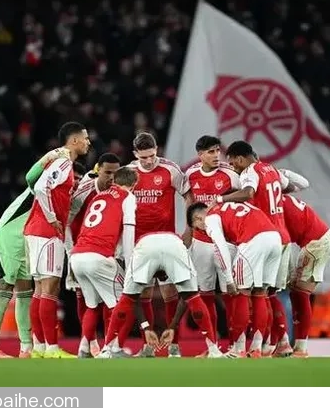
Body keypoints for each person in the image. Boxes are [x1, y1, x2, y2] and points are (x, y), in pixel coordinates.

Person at [0, 147, 77, 358]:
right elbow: (30, 176)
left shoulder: (58, 198)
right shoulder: (40, 187)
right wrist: (49, 156)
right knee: (4, 290)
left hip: (26, 241)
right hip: (7, 239)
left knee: (25, 293)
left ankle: (26, 347)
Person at [219, 140, 309, 357]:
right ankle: (278, 343)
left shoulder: (249, 171)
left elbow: (248, 193)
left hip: (261, 236)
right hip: (282, 238)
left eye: (233, 163)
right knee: (270, 294)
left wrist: (221, 199)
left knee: (253, 293)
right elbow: (297, 185)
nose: (233, 168)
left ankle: (255, 346)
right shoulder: (271, 170)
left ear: (241, 158)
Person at [98, 231, 222, 359]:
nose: (163, 280)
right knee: (193, 297)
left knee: (127, 298)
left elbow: (133, 300)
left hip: (145, 247)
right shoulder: (176, 246)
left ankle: (106, 350)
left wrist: (148, 328)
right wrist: (171, 326)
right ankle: (214, 350)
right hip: (174, 245)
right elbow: (186, 298)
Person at [24, 122, 90, 359]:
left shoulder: (61, 162)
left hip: (35, 230)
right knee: (50, 289)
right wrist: (52, 218)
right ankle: (52, 348)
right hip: (47, 231)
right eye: (85, 138)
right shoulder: (63, 162)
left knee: (40, 289)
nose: (88, 142)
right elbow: (42, 187)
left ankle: (39, 347)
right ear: (74, 141)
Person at [187, 201, 281, 358]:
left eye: (197, 227)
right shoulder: (231, 206)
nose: (201, 229)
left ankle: (238, 349)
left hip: (252, 241)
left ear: (199, 218)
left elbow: (221, 248)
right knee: (260, 293)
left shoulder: (210, 218)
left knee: (241, 292)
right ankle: (257, 348)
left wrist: (229, 280)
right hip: (275, 239)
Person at [127, 132, 193, 357]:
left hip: (167, 241)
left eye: (152, 155)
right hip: (139, 244)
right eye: (143, 157)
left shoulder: (170, 169)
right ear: (135, 154)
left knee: (170, 292)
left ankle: (175, 345)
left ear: (157, 150)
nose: (149, 161)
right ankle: (147, 347)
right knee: (143, 294)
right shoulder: (129, 172)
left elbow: (188, 196)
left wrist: (189, 229)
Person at [70, 166, 137, 358]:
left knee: (92, 305)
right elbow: (129, 231)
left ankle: (84, 349)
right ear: (133, 185)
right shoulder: (127, 197)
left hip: (77, 256)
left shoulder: (98, 196)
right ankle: (110, 349)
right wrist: (131, 264)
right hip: (98, 257)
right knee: (124, 301)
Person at [185, 135, 239, 352]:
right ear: (200, 155)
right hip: (200, 242)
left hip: (226, 241)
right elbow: (189, 202)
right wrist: (188, 230)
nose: (216, 155)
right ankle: (212, 346)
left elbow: (244, 198)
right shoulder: (191, 174)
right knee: (205, 295)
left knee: (231, 294)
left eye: (217, 150)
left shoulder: (230, 174)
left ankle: (235, 346)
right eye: (211, 152)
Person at [66, 153, 122, 357]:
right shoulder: (85, 190)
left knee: (104, 299)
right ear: (98, 170)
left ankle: (104, 342)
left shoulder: (119, 191)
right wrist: (69, 252)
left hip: (105, 250)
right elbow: (66, 221)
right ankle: (91, 341)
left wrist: (118, 252)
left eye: (116, 173)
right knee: (86, 298)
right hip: (80, 248)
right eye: (108, 173)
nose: (112, 178)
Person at [278, 194, 330, 357]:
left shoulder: (271, 206)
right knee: (297, 293)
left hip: (316, 242)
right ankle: (298, 347)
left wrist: (285, 274)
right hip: (319, 240)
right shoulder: (280, 196)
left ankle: (300, 348)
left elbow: (284, 241)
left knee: (300, 294)